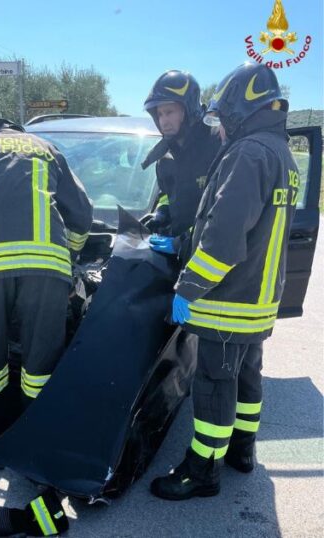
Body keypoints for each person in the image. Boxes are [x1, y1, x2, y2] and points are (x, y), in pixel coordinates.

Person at [150, 63, 299, 500]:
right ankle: (242, 450)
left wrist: (187, 287)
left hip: (228, 301)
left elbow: (223, 239)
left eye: (222, 116)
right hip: (259, 301)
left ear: (237, 108)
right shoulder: (281, 154)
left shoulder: (247, 154)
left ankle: (201, 472)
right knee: (247, 376)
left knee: (214, 385)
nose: (218, 126)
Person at [0, 118, 93, 443]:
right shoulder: (47, 149)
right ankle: (35, 433)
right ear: (20, 132)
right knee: (41, 360)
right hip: (46, 269)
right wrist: (72, 254)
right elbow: (82, 215)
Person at [140, 70, 221, 257]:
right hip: (179, 253)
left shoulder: (217, 145)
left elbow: (225, 214)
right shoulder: (165, 156)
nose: (163, 121)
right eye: (159, 114)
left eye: (169, 112)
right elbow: (166, 193)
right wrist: (161, 212)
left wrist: (182, 242)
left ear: (188, 109)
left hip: (210, 256)